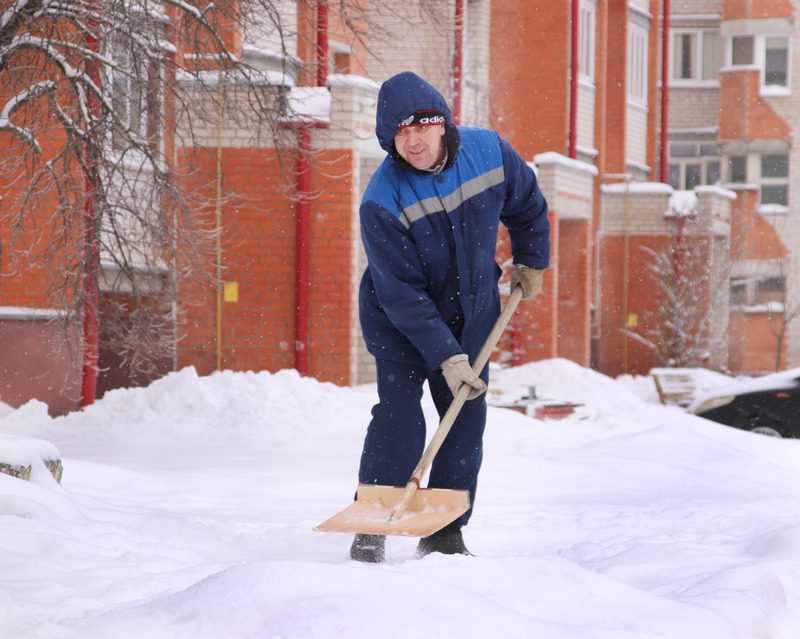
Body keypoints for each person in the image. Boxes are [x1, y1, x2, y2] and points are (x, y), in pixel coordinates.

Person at [351, 71, 550, 563]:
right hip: (401, 322)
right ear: (388, 137)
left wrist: (532, 259)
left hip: (472, 310)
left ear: (443, 124)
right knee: (400, 417)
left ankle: (443, 531)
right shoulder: (381, 199)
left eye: (423, 126)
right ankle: (373, 524)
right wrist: (445, 355)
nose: (414, 140)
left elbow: (527, 204)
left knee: (465, 416)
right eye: (401, 132)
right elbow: (403, 295)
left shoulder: (489, 152)